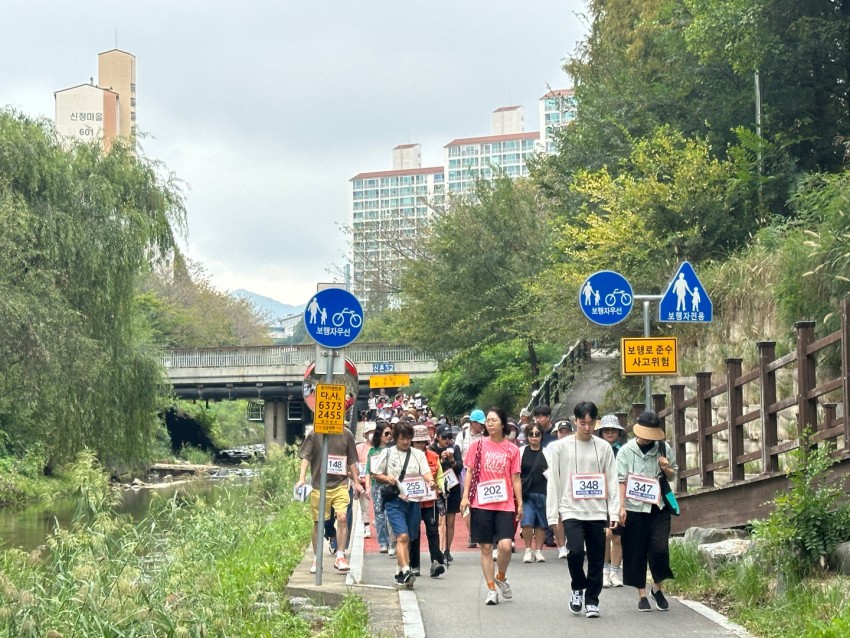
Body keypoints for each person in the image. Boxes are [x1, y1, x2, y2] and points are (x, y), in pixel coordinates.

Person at [546, 401, 620, 619]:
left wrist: (613, 512)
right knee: (576, 551)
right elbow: (554, 481)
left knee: (597, 556)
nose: (587, 427)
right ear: (574, 421)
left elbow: (613, 480)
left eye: (590, 423)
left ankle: (592, 600)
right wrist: (553, 513)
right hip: (571, 509)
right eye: (582, 423)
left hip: (597, 510)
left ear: (595, 422)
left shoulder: (604, 447)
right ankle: (577, 587)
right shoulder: (561, 447)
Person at [460, 407, 522, 606]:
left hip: (504, 504)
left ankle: (501, 576)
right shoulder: (477, 446)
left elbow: (516, 478)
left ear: (503, 424)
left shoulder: (511, 449)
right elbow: (469, 472)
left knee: (505, 545)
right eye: (487, 420)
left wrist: (519, 503)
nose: (489, 423)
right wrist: (465, 497)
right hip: (482, 503)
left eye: (494, 420)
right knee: (486, 547)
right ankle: (490, 589)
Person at [617, 411, 677, 612]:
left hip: (658, 507)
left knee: (660, 549)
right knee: (636, 550)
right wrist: (621, 506)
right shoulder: (626, 451)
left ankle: (657, 588)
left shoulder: (663, 448)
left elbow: (672, 475)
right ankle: (641, 594)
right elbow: (621, 480)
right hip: (634, 508)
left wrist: (666, 468)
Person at [372, 420, 437, 589]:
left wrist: (430, 482)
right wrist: (388, 479)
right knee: (402, 536)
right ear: (396, 438)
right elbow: (376, 473)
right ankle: (407, 570)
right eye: (402, 438)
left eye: (408, 438)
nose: (406, 441)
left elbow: (426, 472)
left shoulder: (418, 454)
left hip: (414, 501)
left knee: (410, 537)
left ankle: (399, 572)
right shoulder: (387, 453)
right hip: (394, 501)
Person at [295, 425, 363, 575]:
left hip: (340, 484)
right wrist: (301, 479)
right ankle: (317, 558)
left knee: (342, 517)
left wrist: (357, 482)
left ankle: (340, 556)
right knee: (318, 522)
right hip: (319, 485)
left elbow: (352, 460)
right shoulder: (315, 433)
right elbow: (306, 456)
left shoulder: (347, 434)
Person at [409, 425, 446, 578]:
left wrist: (440, 488)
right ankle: (414, 565)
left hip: (430, 501)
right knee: (414, 533)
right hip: (413, 501)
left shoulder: (434, 457)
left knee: (432, 531)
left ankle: (436, 562)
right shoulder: (407, 457)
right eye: (417, 442)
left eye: (423, 442)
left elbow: (440, 476)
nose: (421, 445)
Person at [595, 414, 625, 587]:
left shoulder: (623, 450)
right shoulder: (596, 449)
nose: (610, 433)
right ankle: (604, 570)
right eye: (607, 430)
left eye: (613, 430)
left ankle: (615, 571)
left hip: (619, 497)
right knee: (605, 535)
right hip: (600, 497)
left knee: (618, 537)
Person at [431, 423, 462, 563]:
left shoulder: (455, 449)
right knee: (440, 521)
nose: (447, 440)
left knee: (451, 521)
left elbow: (459, 468)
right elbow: (431, 469)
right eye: (444, 437)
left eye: (450, 437)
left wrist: (451, 460)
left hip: (453, 487)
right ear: (438, 437)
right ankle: (439, 548)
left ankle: (447, 549)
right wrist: (441, 459)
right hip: (438, 488)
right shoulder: (432, 450)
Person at [519, 423, 549, 563]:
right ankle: (527, 549)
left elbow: (554, 472)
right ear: (527, 436)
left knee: (541, 524)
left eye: (537, 434)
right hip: (526, 493)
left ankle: (539, 550)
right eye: (531, 434)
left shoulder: (547, 452)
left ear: (542, 436)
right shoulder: (521, 452)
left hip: (543, 491)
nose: (534, 437)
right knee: (527, 523)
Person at [457, 410, 486, 548]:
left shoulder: (486, 435)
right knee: (466, 502)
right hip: (465, 471)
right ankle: (471, 534)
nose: (482, 426)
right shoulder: (462, 435)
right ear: (472, 423)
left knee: (481, 503)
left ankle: (480, 533)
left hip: (482, 472)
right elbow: (457, 453)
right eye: (480, 423)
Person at [366, 421, 394, 553]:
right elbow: (368, 471)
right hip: (376, 486)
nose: (389, 436)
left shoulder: (393, 450)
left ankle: (391, 542)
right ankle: (382, 542)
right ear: (380, 435)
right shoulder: (372, 451)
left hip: (390, 485)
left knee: (390, 513)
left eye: (390, 433)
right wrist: (367, 487)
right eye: (386, 433)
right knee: (379, 513)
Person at [356, 421, 376, 539]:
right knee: (364, 506)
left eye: (374, 432)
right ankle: (367, 527)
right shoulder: (359, 448)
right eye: (370, 432)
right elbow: (355, 463)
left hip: (377, 481)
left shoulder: (380, 448)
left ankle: (377, 523)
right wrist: (356, 480)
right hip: (363, 480)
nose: (372, 434)